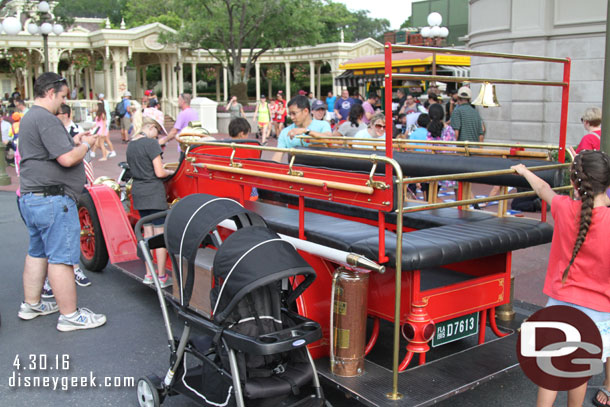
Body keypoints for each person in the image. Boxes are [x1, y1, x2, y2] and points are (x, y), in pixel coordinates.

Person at [511, 150, 610, 407]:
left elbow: (543, 189)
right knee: (579, 373)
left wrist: (523, 171)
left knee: (551, 373)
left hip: (559, 307)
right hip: (598, 314)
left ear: (575, 183)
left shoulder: (564, 209)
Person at [17, 72, 106, 331]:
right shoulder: (45, 118)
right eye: (63, 96)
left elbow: (52, 151)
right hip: (52, 199)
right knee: (61, 258)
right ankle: (70, 315)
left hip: (32, 197)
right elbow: (67, 159)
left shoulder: (30, 117)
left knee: (38, 252)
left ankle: (32, 304)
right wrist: (87, 145)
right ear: (51, 92)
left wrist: (75, 141)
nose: (62, 102)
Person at [126, 117, 175, 287]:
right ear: (152, 127)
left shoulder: (131, 144)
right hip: (153, 192)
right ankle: (161, 276)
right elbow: (159, 172)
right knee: (159, 235)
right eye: (157, 131)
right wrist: (170, 171)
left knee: (147, 234)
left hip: (138, 191)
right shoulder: (151, 144)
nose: (157, 135)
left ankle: (149, 274)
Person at [271, 95, 332, 162]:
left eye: (294, 113)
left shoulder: (323, 125)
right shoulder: (285, 132)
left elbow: (329, 138)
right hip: (296, 170)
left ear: (305, 111)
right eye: (290, 114)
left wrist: (306, 131)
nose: (291, 117)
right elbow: (277, 157)